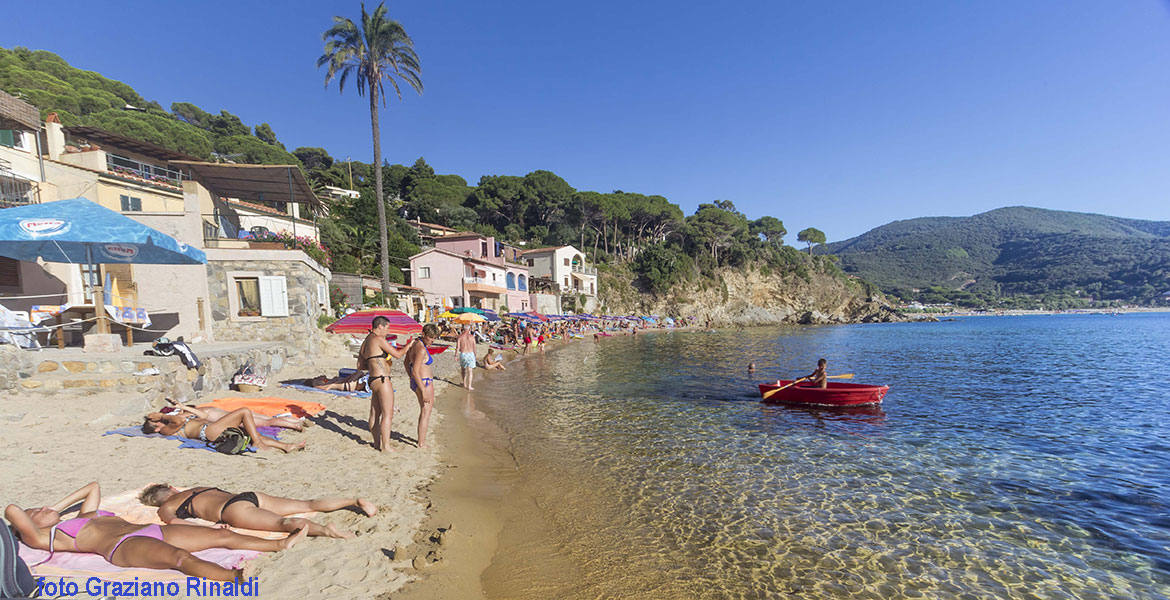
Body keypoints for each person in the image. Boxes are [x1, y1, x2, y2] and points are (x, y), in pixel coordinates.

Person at [5, 482, 305, 582]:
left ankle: (280, 545)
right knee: (179, 558)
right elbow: (12, 511)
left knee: (222, 536)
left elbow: (93, 486)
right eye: (38, 511)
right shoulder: (45, 537)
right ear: (30, 526)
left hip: (149, 529)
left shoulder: (88, 514)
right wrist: (43, 518)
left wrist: (51, 507)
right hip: (122, 546)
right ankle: (235, 577)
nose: (44, 509)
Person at [140, 484, 377, 540]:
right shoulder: (196, 488)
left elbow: (172, 523)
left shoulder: (167, 507)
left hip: (232, 511)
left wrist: (207, 527)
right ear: (171, 487)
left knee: (284, 523)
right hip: (247, 496)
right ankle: (354, 500)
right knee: (308, 504)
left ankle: (326, 530)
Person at [142, 405, 306, 453]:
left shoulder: (170, 424)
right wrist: (161, 417)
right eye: (157, 423)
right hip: (207, 432)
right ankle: (257, 443)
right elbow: (177, 420)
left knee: (250, 431)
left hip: (210, 428)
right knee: (244, 412)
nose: (161, 422)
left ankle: (286, 446)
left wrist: (182, 407)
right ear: (156, 429)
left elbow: (200, 414)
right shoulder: (165, 429)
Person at [358, 316, 409, 452]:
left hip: (372, 379)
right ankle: (386, 446)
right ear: (380, 326)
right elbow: (398, 354)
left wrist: (375, 361)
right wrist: (409, 345)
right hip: (383, 379)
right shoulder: (379, 339)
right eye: (387, 328)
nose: (388, 330)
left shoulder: (365, 342)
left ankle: (376, 443)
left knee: (375, 413)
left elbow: (360, 365)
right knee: (388, 414)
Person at [161, 397, 305, 431]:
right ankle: (295, 422)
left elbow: (203, 417)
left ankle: (296, 425)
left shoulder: (196, 413)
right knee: (267, 419)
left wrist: (181, 407)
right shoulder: (201, 409)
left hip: (235, 417)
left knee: (268, 422)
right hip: (235, 414)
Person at [405, 324, 439, 449]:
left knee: (424, 412)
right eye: (430, 338)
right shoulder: (421, 349)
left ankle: (421, 441)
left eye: (434, 338)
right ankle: (421, 443)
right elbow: (415, 370)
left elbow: (406, 363)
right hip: (424, 382)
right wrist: (423, 390)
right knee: (426, 413)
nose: (432, 341)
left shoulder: (414, 344)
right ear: (423, 334)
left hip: (419, 381)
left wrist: (411, 379)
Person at [456, 325, 477, 391]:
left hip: (463, 354)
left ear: (463, 329)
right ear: (469, 329)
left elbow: (457, 347)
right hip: (470, 354)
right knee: (470, 371)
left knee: (463, 369)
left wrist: (455, 355)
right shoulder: (472, 337)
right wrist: (475, 355)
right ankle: (469, 386)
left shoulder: (460, 337)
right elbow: (474, 347)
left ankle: (464, 383)